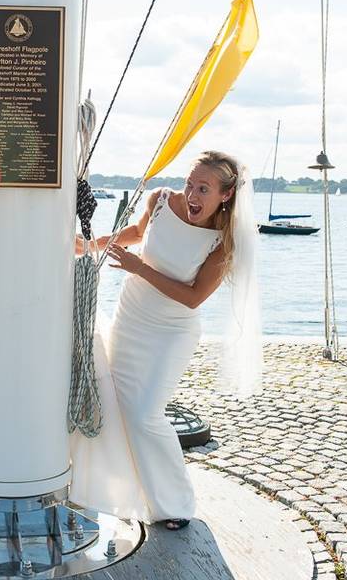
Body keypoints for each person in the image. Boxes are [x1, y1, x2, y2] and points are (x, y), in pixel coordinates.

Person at [70, 150, 264, 530]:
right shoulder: (161, 200)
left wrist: (138, 266)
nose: (192, 194)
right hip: (132, 315)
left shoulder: (224, 242)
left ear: (225, 195)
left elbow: (193, 297)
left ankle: (176, 503)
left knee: (145, 414)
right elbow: (137, 234)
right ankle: (120, 490)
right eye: (190, 184)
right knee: (116, 403)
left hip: (172, 331)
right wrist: (92, 245)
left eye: (203, 189)